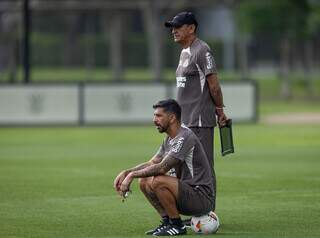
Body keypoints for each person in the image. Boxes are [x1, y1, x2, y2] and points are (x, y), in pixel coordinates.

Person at [114, 99, 215, 236]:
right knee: (144, 180)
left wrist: (131, 176)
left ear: (172, 118)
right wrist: (128, 172)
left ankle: (177, 226)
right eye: (154, 115)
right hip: (186, 193)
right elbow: (152, 163)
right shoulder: (169, 138)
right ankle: (167, 222)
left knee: (158, 180)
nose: (154, 120)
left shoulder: (184, 137)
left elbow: (161, 168)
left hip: (201, 197)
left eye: (159, 116)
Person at [164, 12, 228, 214]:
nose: (173, 30)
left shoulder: (202, 50)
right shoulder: (184, 52)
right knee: (181, 168)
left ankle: (209, 213)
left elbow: (214, 86)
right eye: (172, 27)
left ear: (191, 28)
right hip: (184, 122)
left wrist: (219, 110)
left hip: (200, 121)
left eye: (178, 26)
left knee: (204, 167)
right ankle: (189, 211)